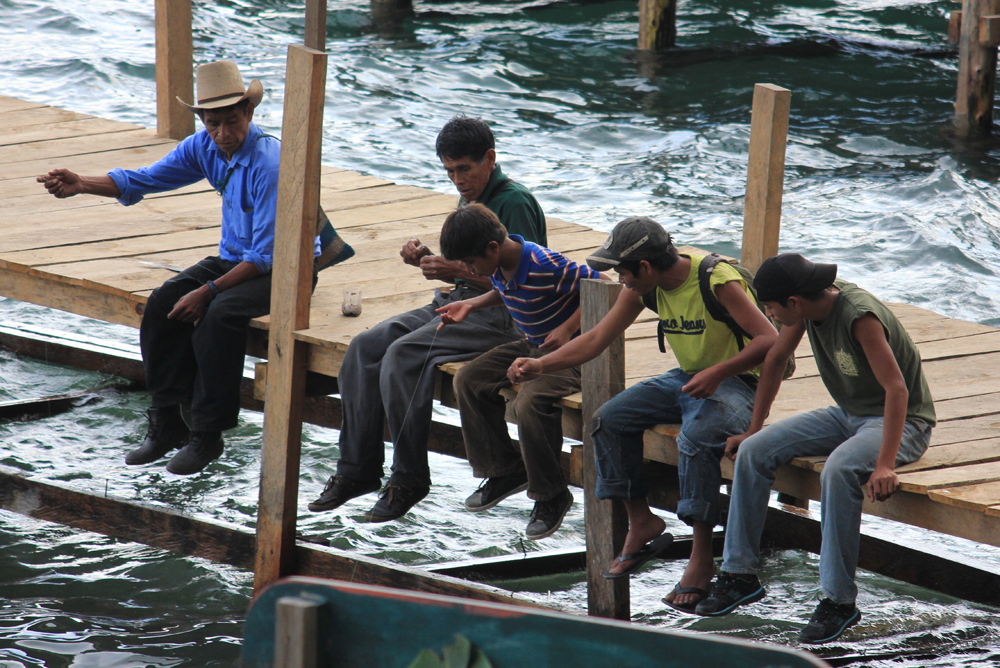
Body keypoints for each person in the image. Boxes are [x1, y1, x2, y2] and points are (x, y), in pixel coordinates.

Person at [36, 60, 351, 475]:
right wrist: (83, 184)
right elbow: (145, 179)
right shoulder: (205, 146)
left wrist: (208, 291)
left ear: (249, 114)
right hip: (235, 258)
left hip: (285, 268)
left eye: (231, 121)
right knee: (162, 302)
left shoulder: (270, 164)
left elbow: (265, 256)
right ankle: (167, 419)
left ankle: (207, 433)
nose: (223, 134)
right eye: (213, 123)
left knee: (216, 316)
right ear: (202, 120)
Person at [508, 217, 777, 610]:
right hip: (687, 378)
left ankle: (701, 558)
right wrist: (541, 365)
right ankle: (642, 522)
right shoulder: (644, 287)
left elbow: (769, 338)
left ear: (646, 268)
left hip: (738, 383)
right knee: (607, 420)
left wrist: (718, 372)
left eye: (622, 271)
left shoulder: (715, 280)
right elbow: (597, 338)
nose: (621, 280)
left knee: (697, 439)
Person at [308, 116, 547, 522]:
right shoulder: (473, 195)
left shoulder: (513, 202)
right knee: (364, 347)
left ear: (490, 158)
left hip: (501, 314)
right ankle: (356, 470)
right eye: (449, 171)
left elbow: (524, 278)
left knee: (403, 356)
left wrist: (453, 270)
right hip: (460, 299)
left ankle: (408, 478)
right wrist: (431, 260)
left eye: (464, 169)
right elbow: (473, 261)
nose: (457, 179)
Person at [694, 254, 935, 642]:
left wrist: (885, 464)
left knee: (839, 469)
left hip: (903, 422)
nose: (768, 314)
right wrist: (752, 431)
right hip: (848, 414)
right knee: (755, 451)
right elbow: (774, 359)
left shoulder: (860, 317)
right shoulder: (805, 311)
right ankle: (739, 575)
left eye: (771, 307)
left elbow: (897, 389)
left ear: (794, 302)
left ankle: (839, 601)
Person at [436, 204, 606, 539]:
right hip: (531, 345)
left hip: (569, 355)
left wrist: (568, 329)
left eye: (471, 264)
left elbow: (605, 287)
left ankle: (551, 495)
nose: (470, 270)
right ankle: (506, 469)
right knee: (468, 379)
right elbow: (506, 290)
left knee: (529, 402)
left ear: (492, 249)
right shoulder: (501, 263)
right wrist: (470, 303)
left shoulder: (545, 264)